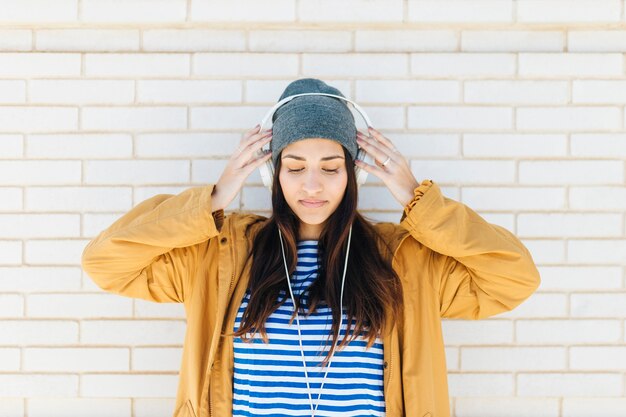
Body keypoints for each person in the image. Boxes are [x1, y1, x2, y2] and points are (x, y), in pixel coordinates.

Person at [81, 78, 541, 417]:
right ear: (273, 174)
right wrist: (216, 198)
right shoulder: (219, 255)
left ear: (354, 174)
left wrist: (416, 198)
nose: (313, 185)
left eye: (331, 167)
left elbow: (513, 277)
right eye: (295, 167)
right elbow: (107, 262)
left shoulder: (402, 260)